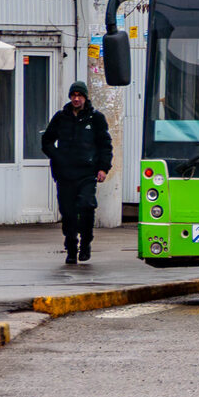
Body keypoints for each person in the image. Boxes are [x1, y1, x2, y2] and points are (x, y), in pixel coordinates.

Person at [42, 81, 113, 264]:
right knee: (68, 213)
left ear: (85, 97)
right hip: (65, 175)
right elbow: (46, 141)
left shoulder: (95, 118)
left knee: (87, 205)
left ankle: (86, 243)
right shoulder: (61, 117)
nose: (76, 98)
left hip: (87, 173)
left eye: (79, 95)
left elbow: (105, 145)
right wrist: (57, 157)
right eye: (73, 95)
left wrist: (103, 168)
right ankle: (71, 248)